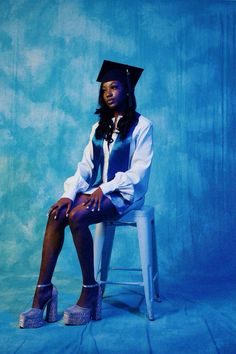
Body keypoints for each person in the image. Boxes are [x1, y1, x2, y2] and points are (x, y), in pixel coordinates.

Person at [19, 60, 153, 328]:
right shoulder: (99, 128)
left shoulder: (143, 126)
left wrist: (104, 189)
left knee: (78, 218)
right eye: (104, 89)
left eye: (114, 87)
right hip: (98, 192)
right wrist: (69, 194)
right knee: (58, 213)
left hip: (125, 195)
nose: (109, 93)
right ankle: (43, 290)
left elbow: (139, 173)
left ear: (127, 90)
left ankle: (90, 289)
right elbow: (85, 168)